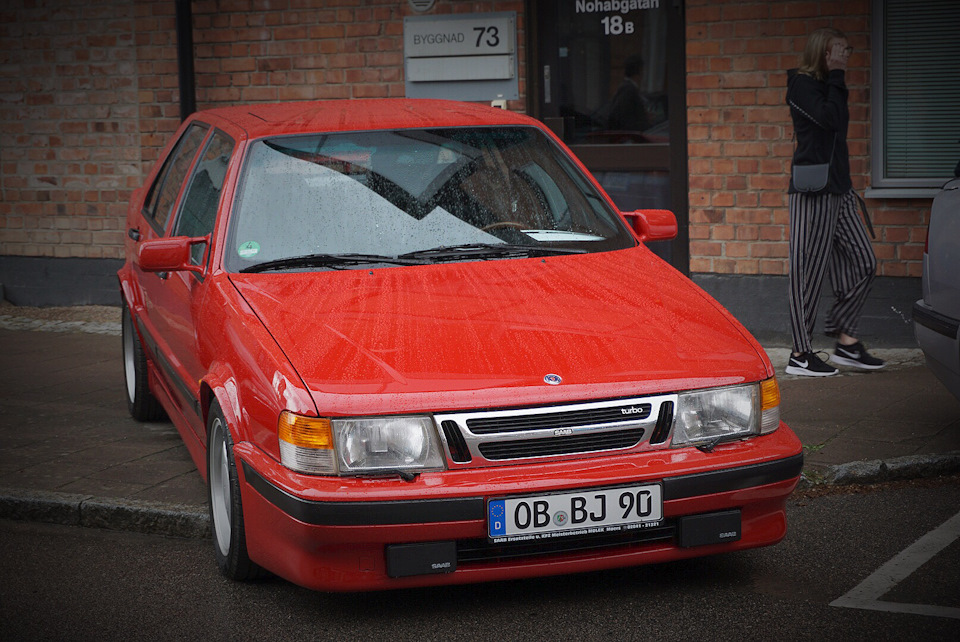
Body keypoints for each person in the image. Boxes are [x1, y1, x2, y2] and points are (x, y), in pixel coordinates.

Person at [784, 27, 884, 376]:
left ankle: (846, 343)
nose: (844, 56)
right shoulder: (801, 84)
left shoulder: (832, 86)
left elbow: (839, 122)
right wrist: (838, 76)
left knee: (864, 261)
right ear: (822, 54)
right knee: (807, 271)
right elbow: (829, 120)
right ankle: (800, 353)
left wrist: (837, 80)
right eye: (838, 50)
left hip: (840, 191)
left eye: (846, 49)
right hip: (813, 193)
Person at [606, 54, 651, 133]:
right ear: (639, 71)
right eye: (642, 70)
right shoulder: (628, 90)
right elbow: (620, 117)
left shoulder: (627, 88)